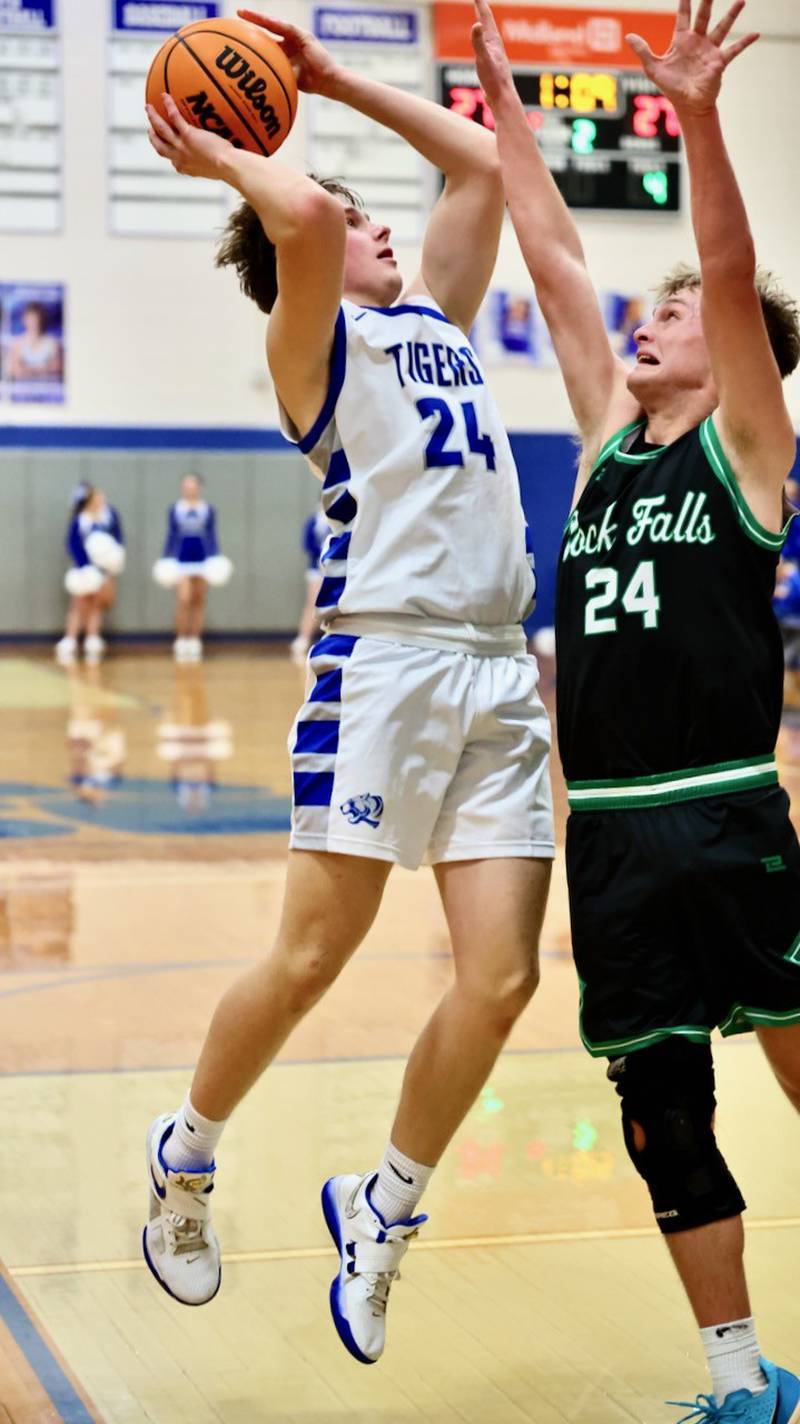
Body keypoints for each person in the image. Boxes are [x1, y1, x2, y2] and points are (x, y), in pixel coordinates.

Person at [143, 7, 554, 1365]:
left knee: (501, 982)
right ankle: (186, 1159)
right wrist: (221, 158)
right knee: (315, 955)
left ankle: (379, 1212)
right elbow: (310, 220)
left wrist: (324, 76)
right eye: (358, 222)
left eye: (387, 221)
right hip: (382, 666)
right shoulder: (312, 351)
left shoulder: (435, 315)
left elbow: (485, 168)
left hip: (498, 667)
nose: (380, 225)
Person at [472, 0, 800, 1416]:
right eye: (649, 309)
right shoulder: (607, 444)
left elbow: (725, 264)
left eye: (673, 313)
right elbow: (549, 257)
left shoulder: (749, 445)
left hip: (726, 813)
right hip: (605, 831)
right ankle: (741, 1380)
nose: (647, 316)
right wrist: (502, 114)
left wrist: (700, 113)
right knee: (663, 1118)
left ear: (734, 358)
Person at [155, 474, 230, 662]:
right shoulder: (176, 509)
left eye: (193, 485)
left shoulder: (207, 509)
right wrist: (166, 559)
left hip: (202, 560)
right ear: (183, 488)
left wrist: (215, 558)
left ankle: (195, 640)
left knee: (198, 600)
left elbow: (211, 536)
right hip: (181, 561)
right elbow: (171, 536)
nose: (190, 489)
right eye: (186, 485)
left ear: (199, 488)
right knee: (183, 599)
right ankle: (181, 639)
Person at [56, 485, 125, 666]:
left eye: (102, 498)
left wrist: (110, 569)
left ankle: (92, 638)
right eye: (96, 498)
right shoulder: (80, 521)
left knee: (97, 602)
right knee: (79, 602)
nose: (101, 501)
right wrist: (85, 567)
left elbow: (117, 542)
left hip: (103, 569)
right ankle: (71, 638)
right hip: (83, 568)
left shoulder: (109, 518)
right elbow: (72, 544)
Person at [290, 505, 328, 663]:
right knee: (313, 604)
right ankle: (302, 640)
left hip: (336, 569)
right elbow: (307, 544)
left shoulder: (340, 518)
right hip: (316, 569)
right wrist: (320, 557)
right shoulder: (314, 520)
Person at [6, 300, 63, 384]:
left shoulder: (52, 342)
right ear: (24, 320)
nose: (34, 323)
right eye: (30, 319)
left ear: (42, 319)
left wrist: (29, 370)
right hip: (23, 390)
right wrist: (42, 370)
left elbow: (57, 368)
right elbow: (14, 370)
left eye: (36, 319)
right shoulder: (18, 343)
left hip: (48, 389)